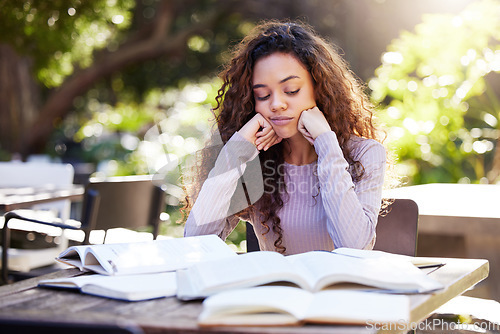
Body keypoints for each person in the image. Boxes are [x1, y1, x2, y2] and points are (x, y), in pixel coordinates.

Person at [182, 20, 387, 255]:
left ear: (319, 88)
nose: (277, 104)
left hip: (338, 291)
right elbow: (195, 244)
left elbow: (355, 248)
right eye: (263, 95)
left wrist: (326, 144)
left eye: (291, 91)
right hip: (277, 291)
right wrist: (234, 153)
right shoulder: (255, 159)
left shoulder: (365, 154)